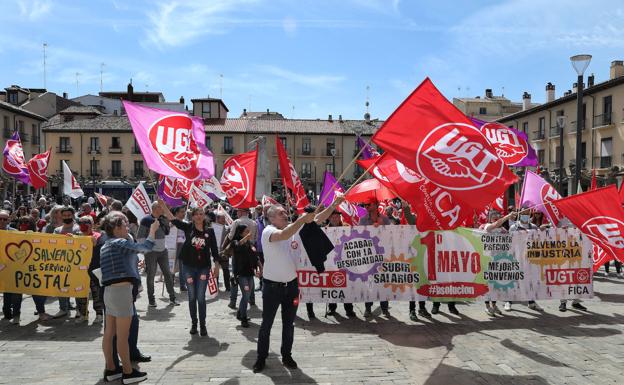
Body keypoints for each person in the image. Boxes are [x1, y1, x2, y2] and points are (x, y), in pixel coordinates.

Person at [253, 193, 344, 373]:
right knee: (267, 324)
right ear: (271, 218)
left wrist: (334, 204)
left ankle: (286, 355)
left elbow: (317, 218)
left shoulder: (295, 230)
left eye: (286, 212)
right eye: (281, 213)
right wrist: (302, 220)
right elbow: (284, 234)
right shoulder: (269, 231)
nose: (285, 215)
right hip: (272, 287)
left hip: (291, 287)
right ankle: (261, 358)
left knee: (289, 325)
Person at [100, 211, 158, 384]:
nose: (128, 228)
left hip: (109, 292)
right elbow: (146, 247)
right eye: (125, 225)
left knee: (109, 333)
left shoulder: (107, 244)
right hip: (121, 292)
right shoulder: (120, 242)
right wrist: (153, 230)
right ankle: (127, 371)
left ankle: (111, 369)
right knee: (123, 336)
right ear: (116, 228)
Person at [162, 204, 219, 336]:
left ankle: (203, 325)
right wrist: (163, 206)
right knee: (192, 297)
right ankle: (194, 323)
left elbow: (215, 249)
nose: (199, 216)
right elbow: (172, 219)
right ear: (192, 217)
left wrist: (217, 265)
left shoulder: (209, 231)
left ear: (204, 216)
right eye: (196, 214)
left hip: (203, 268)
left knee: (201, 298)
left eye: (201, 214)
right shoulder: (188, 227)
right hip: (188, 266)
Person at [136, 201, 179, 308]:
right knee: (151, 275)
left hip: (163, 251)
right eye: (161, 207)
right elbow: (140, 237)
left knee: (168, 274)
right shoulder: (146, 220)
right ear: (155, 208)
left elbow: (167, 233)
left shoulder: (163, 219)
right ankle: (151, 300)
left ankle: (172, 298)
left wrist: (166, 224)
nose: (163, 209)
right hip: (151, 252)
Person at [358, 198, 392, 318]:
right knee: (369, 283)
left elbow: (391, 235)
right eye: (365, 204)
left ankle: (384, 307)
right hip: (368, 257)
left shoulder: (385, 219)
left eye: (369, 204)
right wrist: (372, 229)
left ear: (376, 205)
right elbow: (359, 236)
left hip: (382, 256)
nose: (366, 206)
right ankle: (368, 307)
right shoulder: (362, 220)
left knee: (383, 281)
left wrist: (382, 226)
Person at [480, 208, 516, 316]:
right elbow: (494, 225)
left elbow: (512, 239)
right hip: (488, 260)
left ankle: (494, 304)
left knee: (496, 286)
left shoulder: (503, 230)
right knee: (488, 284)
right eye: (493, 215)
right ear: (489, 218)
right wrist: (508, 216)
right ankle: (487, 306)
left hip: (499, 261)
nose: (496, 216)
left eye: (497, 215)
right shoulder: (486, 226)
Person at [506, 209, 543, 312]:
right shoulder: (514, 227)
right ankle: (509, 302)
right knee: (515, 280)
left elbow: (537, 241)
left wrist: (542, 231)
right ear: (519, 214)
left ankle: (531, 302)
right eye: (523, 214)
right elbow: (510, 242)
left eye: (527, 214)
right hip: (517, 257)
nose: (525, 216)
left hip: (530, 258)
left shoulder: (534, 227)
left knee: (530, 280)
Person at [401, 202, 431, 321]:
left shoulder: (429, 220)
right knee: (413, 285)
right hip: (413, 257)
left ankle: (422, 308)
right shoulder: (415, 219)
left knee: (423, 285)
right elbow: (409, 217)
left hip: (426, 257)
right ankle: (412, 310)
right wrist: (405, 206)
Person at [52, 206, 81, 319]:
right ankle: (63, 308)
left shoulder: (78, 229)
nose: (67, 217)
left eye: (69, 215)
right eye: (64, 215)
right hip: (61, 264)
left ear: (73, 216)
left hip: (76, 264)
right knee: (61, 286)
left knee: (77, 286)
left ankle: (79, 309)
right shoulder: (57, 230)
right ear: (61, 216)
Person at [231, 224, 261, 327]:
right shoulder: (235, 242)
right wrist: (246, 238)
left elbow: (255, 257)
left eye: (249, 231)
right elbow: (237, 246)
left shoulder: (250, 243)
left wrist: (260, 268)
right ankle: (243, 318)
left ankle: (240, 313)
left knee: (247, 296)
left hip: (250, 273)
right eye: (246, 231)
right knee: (246, 295)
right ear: (240, 232)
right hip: (241, 274)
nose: (248, 233)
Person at [75, 216, 104, 324]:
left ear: (92, 225)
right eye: (81, 223)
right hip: (80, 271)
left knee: (96, 292)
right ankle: (83, 314)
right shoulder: (76, 236)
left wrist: (96, 243)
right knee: (80, 293)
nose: (84, 225)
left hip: (93, 269)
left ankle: (99, 314)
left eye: (87, 223)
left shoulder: (98, 236)